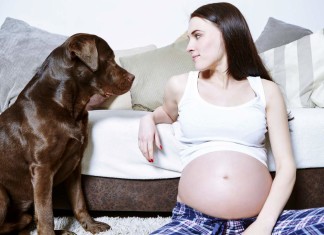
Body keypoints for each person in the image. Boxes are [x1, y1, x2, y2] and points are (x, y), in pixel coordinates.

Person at [138, 2, 324, 235]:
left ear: (226, 33)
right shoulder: (180, 85)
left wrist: (263, 226)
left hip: (260, 222)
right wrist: (147, 119)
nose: (189, 47)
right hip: (194, 223)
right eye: (189, 38)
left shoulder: (266, 90)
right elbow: (166, 113)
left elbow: (286, 166)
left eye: (197, 36)